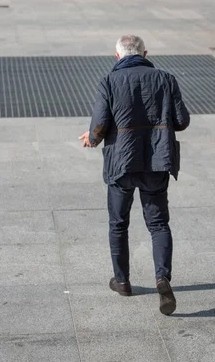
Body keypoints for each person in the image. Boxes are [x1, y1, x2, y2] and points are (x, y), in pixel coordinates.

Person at [79, 35, 190, 315]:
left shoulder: (109, 81)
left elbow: (101, 123)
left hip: (121, 163)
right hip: (156, 161)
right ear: (145, 53)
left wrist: (92, 138)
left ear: (117, 56)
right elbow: (181, 121)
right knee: (158, 225)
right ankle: (162, 277)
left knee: (118, 224)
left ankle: (123, 280)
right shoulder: (166, 78)